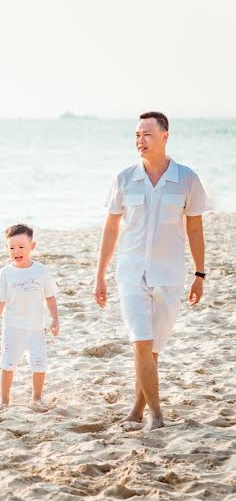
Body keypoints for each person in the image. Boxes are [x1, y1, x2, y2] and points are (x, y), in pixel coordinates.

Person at [94, 111, 212, 429]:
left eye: (146, 134)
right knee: (141, 342)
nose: (140, 140)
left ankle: (136, 409)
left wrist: (200, 275)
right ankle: (157, 416)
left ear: (164, 136)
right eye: (136, 135)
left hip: (169, 276)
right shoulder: (124, 179)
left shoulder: (187, 179)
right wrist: (100, 274)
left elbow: (196, 230)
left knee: (153, 350)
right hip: (131, 274)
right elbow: (110, 229)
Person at [0, 224, 60, 405]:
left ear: (32, 246)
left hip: (36, 328)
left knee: (39, 364)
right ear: (7, 248)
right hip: (12, 327)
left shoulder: (41, 270)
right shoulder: (6, 273)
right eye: (11, 247)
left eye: (21, 247)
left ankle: (37, 397)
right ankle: (4, 399)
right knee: (7, 363)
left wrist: (55, 319)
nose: (16, 251)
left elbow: (50, 297)